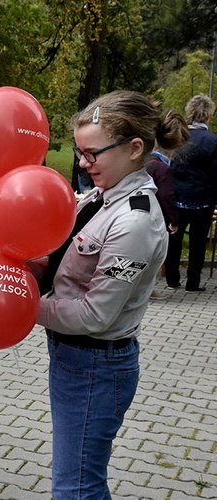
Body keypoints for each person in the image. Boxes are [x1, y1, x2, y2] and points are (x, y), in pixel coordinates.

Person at [35, 90, 182, 498]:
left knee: (77, 487)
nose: (82, 163)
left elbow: (95, 315)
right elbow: (65, 260)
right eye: (80, 152)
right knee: (77, 479)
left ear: (135, 148)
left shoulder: (134, 221)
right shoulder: (105, 197)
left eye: (92, 153)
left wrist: (24, 307)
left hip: (95, 365)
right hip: (77, 360)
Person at [164, 94, 217, 292]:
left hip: (177, 197)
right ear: (208, 116)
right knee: (198, 243)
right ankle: (192, 282)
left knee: (174, 239)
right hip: (203, 199)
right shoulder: (213, 141)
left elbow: (170, 167)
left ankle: (172, 279)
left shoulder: (179, 138)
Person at [144, 109, 190, 299]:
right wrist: (174, 219)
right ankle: (147, 291)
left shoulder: (146, 161)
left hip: (141, 214)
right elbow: (167, 195)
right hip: (156, 219)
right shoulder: (163, 169)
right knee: (153, 257)